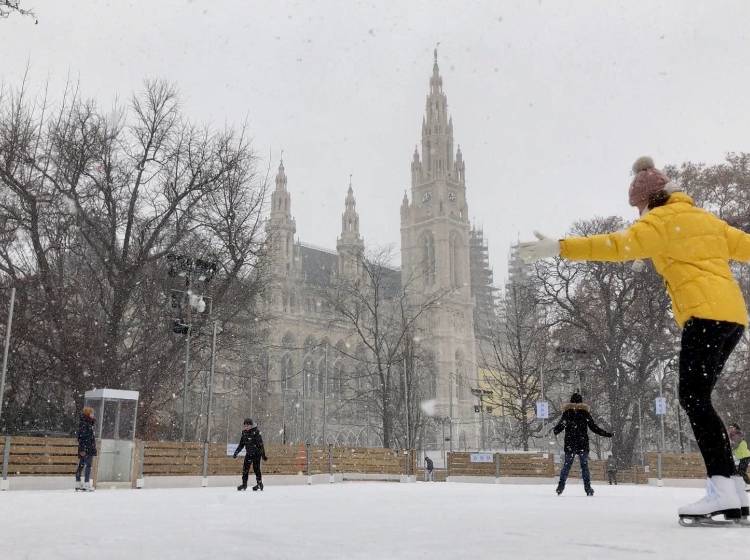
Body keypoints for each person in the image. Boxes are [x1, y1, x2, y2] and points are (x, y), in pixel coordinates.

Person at [519, 156, 750, 522]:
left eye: (638, 207)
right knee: (699, 399)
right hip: (733, 318)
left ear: (648, 201)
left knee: (693, 398)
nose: (639, 214)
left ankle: (722, 487)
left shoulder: (659, 223)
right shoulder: (706, 220)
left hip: (704, 316)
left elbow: (613, 246)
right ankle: (733, 490)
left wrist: (561, 247)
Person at [553, 392, 613, 496]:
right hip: (582, 444)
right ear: (581, 402)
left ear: (571, 401)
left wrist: (557, 429)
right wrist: (607, 434)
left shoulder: (567, 413)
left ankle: (560, 486)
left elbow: (559, 427)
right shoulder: (585, 413)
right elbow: (594, 428)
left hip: (570, 444)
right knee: (584, 466)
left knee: (566, 466)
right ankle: (588, 488)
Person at [233, 418, 268, 491]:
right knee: (245, 469)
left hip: (256, 454)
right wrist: (236, 452)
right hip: (249, 454)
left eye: (247, 425)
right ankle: (244, 484)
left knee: (256, 469)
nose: (246, 427)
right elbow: (241, 444)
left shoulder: (256, 433)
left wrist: (263, 455)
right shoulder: (244, 433)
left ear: (251, 425)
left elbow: (261, 445)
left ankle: (259, 484)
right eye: (245, 425)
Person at [75, 406, 97, 491]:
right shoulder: (86, 424)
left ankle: (78, 482)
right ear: (88, 414)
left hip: (85, 448)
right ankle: (86, 483)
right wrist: (83, 449)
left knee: (81, 465)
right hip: (87, 448)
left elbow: (80, 437)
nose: (93, 415)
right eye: (91, 413)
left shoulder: (84, 423)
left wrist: (81, 449)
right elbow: (83, 437)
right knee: (88, 466)